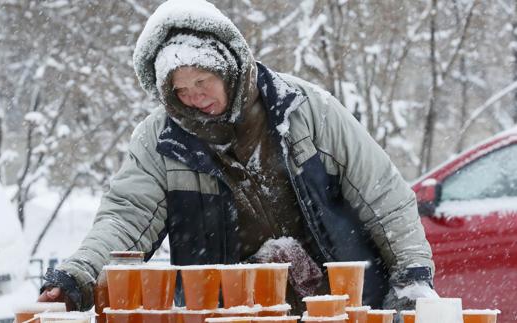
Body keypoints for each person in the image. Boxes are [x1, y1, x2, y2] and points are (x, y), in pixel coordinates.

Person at [38, 0, 437, 317]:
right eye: (181, 90)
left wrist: (412, 274)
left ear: (230, 69)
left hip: (337, 307)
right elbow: (125, 219)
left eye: (203, 80)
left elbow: (382, 194)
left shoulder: (306, 112)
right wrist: (77, 277)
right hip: (234, 311)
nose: (195, 97)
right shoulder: (160, 142)